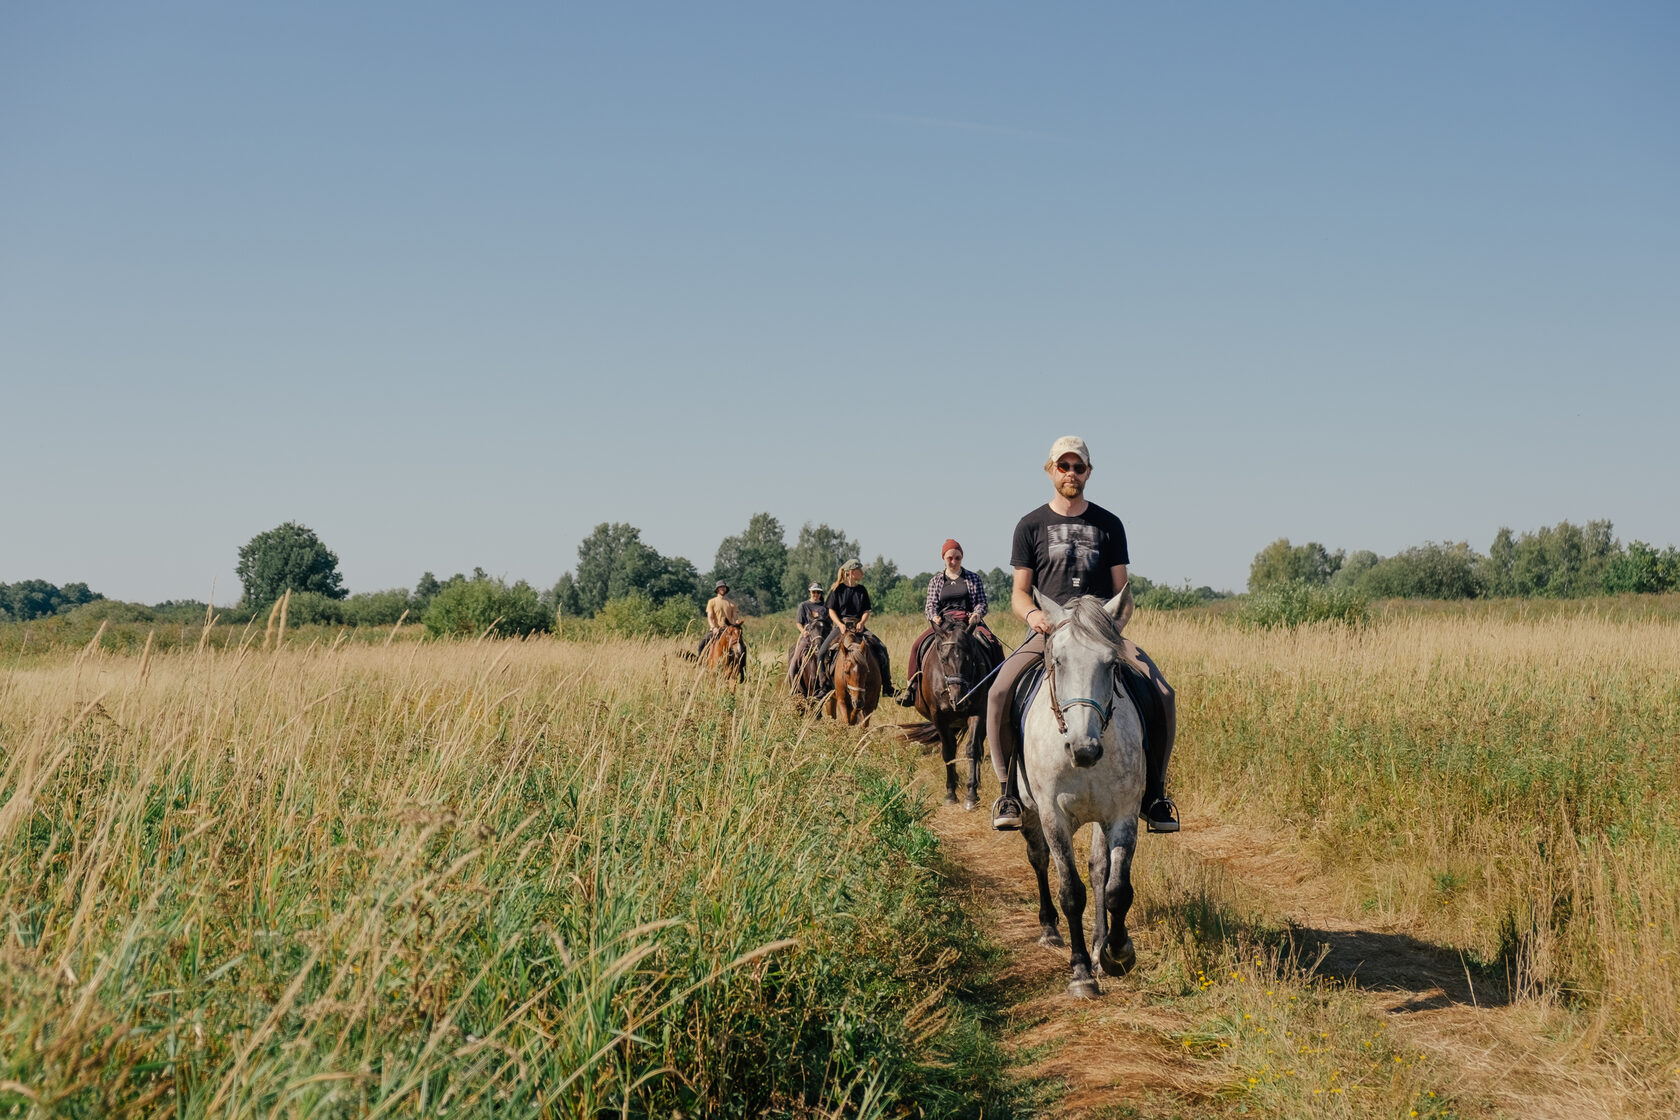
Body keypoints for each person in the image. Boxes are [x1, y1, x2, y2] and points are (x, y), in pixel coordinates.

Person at [985, 436, 1179, 833]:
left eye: (1078, 467)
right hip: (1051, 631)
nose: (1071, 473)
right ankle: (1007, 791)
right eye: (1063, 466)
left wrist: (1111, 628)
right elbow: (1019, 594)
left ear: (1088, 472)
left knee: (1163, 693)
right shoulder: (1030, 525)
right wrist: (1035, 614)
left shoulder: (1109, 524)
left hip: (1100, 632)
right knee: (999, 692)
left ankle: (1155, 795)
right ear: (1050, 470)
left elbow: (1124, 592)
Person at [899, 539, 1002, 705]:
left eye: (957, 558)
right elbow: (930, 605)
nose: (953, 561)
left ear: (962, 558)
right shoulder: (936, 580)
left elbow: (982, 602)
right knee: (917, 645)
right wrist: (933, 616)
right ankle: (911, 687)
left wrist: (977, 614)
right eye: (950, 558)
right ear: (943, 558)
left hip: (968, 622)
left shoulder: (973, 578)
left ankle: (1001, 685)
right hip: (944, 623)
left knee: (994, 643)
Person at [815, 558, 893, 690]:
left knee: (882, 648)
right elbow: (831, 610)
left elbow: (866, 610)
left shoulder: (862, 590)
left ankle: (887, 685)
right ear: (851, 572)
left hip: (858, 626)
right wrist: (840, 624)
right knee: (822, 653)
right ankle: (823, 686)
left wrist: (862, 622)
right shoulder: (837, 589)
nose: (862, 573)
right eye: (859, 570)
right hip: (842, 627)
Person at [786, 581, 830, 690]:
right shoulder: (804, 605)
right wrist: (803, 631)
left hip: (823, 638)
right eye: (814, 592)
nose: (816, 595)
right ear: (810, 592)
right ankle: (793, 683)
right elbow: (798, 623)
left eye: (818, 593)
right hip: (808, 637)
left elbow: (829, 623)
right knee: (795, 658)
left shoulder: (825, 606)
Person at [698, 580, 741, 656]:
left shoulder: (732, 603)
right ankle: (701, 663)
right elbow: (710, 617)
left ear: (726, 589)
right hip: (717, 630)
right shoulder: (712, 602)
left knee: (742, 647)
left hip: (729, 630)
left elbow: (735, 617)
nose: (722, 588)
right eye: (720, 587)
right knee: (702, 644)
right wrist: (713, 628)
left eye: (724, 587)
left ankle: (742, 667)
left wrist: (737, 622)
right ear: (717, 589)